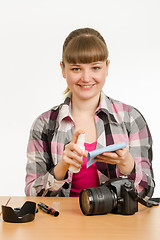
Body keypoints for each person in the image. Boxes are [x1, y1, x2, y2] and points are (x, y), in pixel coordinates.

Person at [25, 27, 155, 198]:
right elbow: (31, 194)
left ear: (107, 68)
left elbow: (147, 193)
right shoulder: (44, 124)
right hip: (62, 223)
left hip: (116, 223)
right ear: (63, 69)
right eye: (76, 69)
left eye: (95, 68)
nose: (86, 78)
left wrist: (128, 167)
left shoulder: (131, 119)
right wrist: (61, 168)